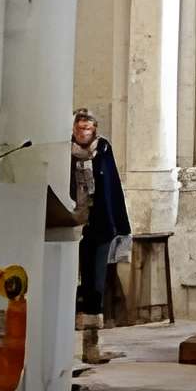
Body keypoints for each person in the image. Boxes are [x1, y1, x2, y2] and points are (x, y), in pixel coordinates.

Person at [70, 108, 128, 367]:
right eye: (79, 128)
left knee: (95, 283)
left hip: (99, 224)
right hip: (70, 221)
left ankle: (90, 345)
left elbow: (113, 186)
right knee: (68, 280)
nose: (84, 133)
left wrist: (121, 224)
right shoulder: (65, 152)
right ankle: (58, 340)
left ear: (95, 130)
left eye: (88, 129)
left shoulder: (103, 150)